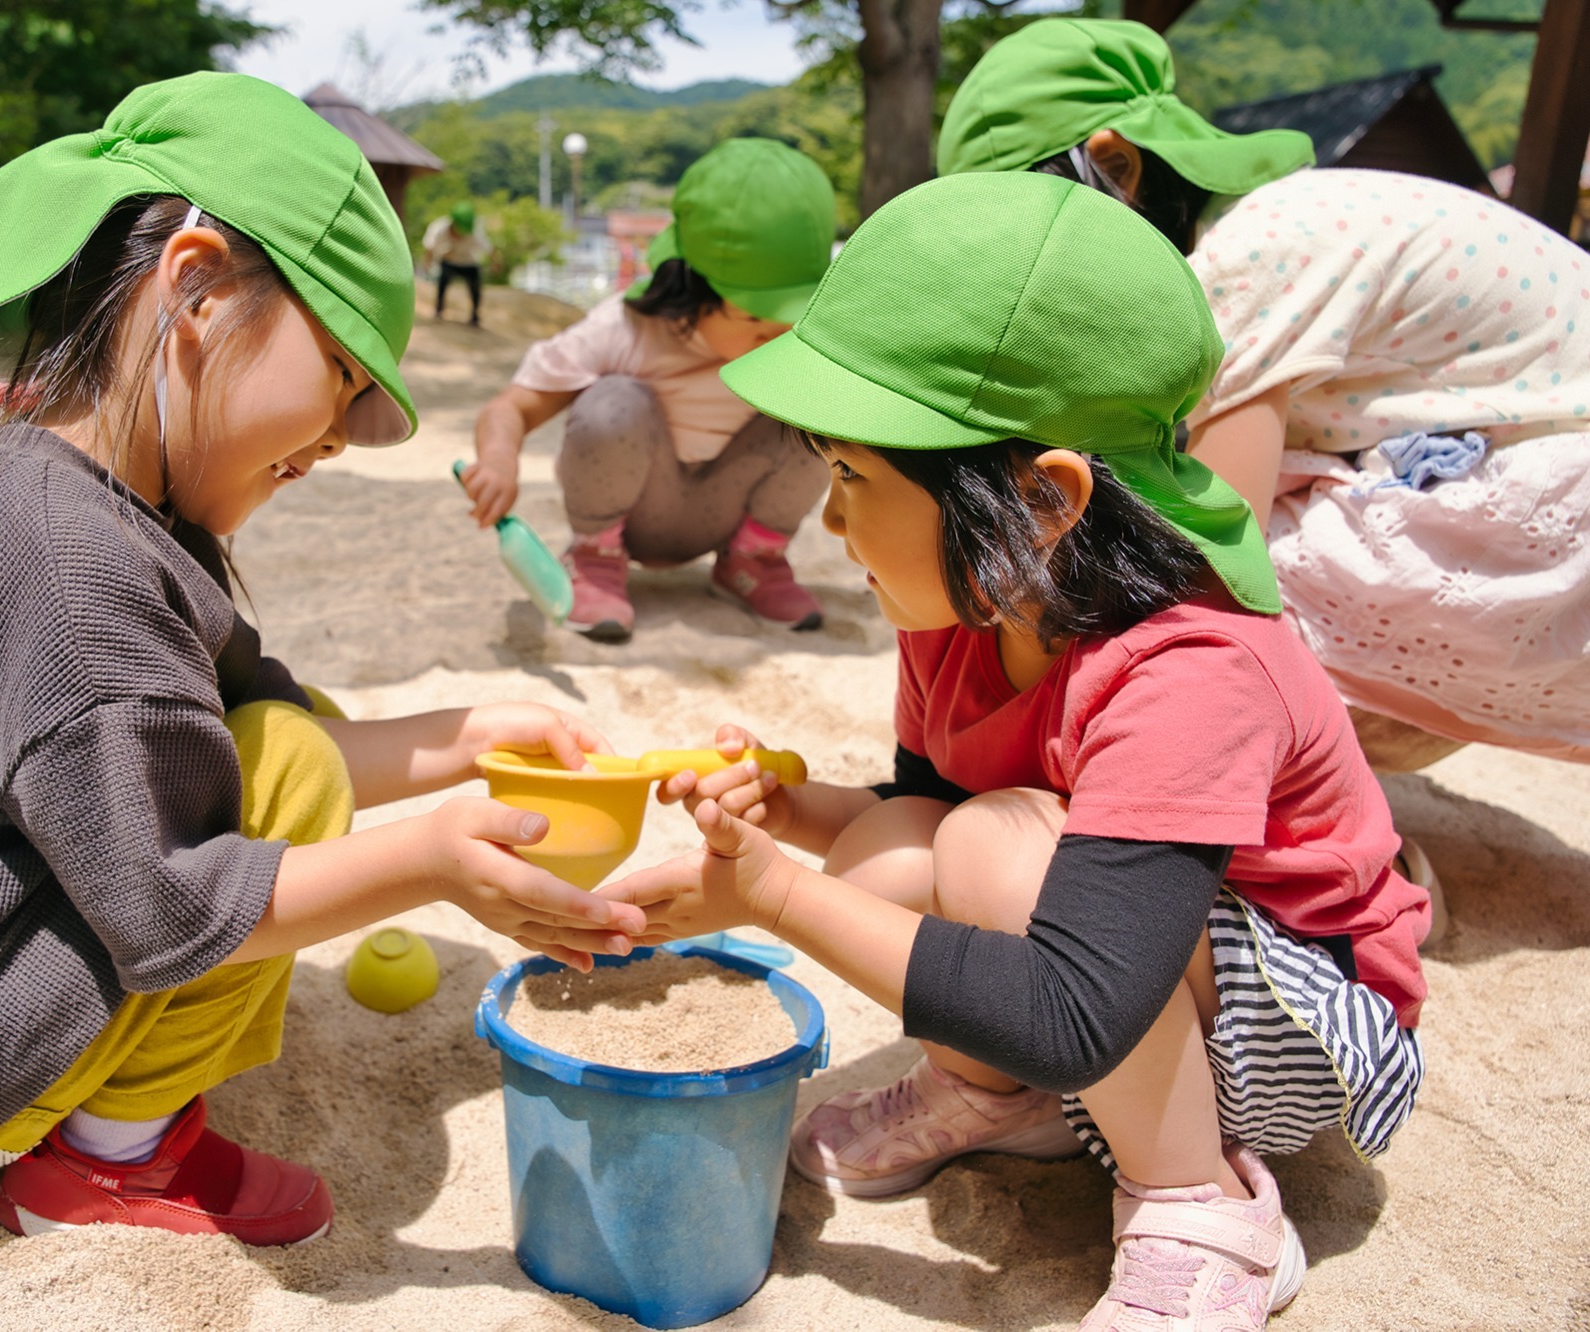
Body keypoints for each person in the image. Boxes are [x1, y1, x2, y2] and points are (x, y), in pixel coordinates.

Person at [0, 73, 646, 1250]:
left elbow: (260, 734)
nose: (330, 441)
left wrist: (471, 739)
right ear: (199, 286)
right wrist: (430, 863)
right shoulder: (75, 573)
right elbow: (173, 906)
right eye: (341, 381)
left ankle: (106, 1108)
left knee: (275, 742)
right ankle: (109, 1162)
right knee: (285, 778)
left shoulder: (103, 501)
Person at [606, 173, 1428, 1331]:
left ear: (1041, 503)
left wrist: (772, 896)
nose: (828, 522)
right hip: (1122, 958)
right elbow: (921, 814)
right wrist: (787, 819)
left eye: (852, 477)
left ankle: (1200, 1199)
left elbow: (1076, 1003)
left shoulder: (1190, 667)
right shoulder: (964, 614)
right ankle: (999, 1099)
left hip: (1299, 1026)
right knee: (900, 841)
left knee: (988, 850)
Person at [937, 17, 1590, 775]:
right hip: (1521, 471)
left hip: (1558, 501)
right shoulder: (1270, 223)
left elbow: (1218, 543)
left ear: (1115, 168)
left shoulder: (1245, 259)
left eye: (1030, 235)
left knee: (1165, 570)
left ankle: (1288, 829)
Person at [459, 137, 837, 642]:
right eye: (753, 317)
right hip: (631, 513)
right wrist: (499, 459)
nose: (775, 334)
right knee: (614, 402)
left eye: (792, 314)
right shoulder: (624, 329)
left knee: (824, 408)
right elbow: (511, 407)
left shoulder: (796, 340)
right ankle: (594, 558)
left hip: (728, 512)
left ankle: (752, 561)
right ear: (694, 286)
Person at [423, 199, 490, 325]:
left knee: (475, 287)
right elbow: (429, 247)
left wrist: (495, 263)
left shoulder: (475, 231)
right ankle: (439, 309)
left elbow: (489, 248)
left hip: (469, 262)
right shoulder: (439, 228)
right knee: (443, 281)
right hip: (449, 260)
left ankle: (475, 316)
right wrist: (428, 263)